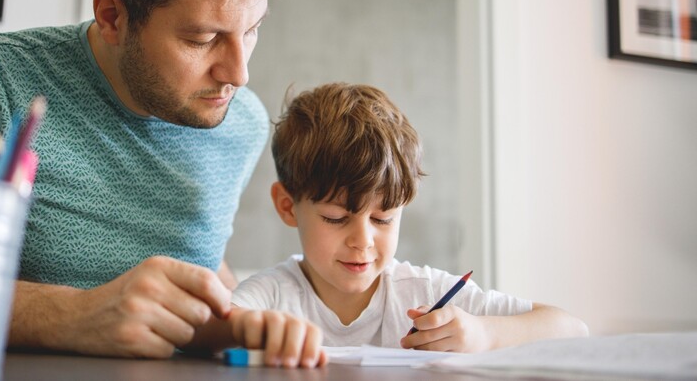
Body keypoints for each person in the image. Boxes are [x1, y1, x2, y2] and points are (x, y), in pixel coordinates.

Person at [0, 0, 321, 363]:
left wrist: (243, 324)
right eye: (201, 40)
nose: (238, 74)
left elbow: (200, 265)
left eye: (252, 29)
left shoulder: (243, 124)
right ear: (112, 17)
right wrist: (72, 315)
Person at [232, 83, 590, 351]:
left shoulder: (424, 292)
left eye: (383, 218)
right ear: (286, 206)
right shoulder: (272, 295)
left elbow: (572, 328)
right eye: (336, 217)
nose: (363, 241)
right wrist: (254, 331)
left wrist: (483, 333)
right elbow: (213, 328)